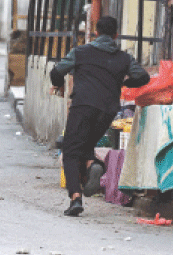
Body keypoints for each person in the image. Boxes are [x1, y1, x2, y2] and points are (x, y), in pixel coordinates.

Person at [50, 16, 150, 217]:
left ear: (95, 33)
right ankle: (94, 165)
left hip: (83, 106)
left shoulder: (81, 52)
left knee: (70, 150)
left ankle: (75, 198)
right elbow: (143, 77)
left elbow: (57, 71)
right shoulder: (124, 58)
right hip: (108, 111)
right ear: (115, 35)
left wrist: (58, 83)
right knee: (86, 146)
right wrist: (122, 83)